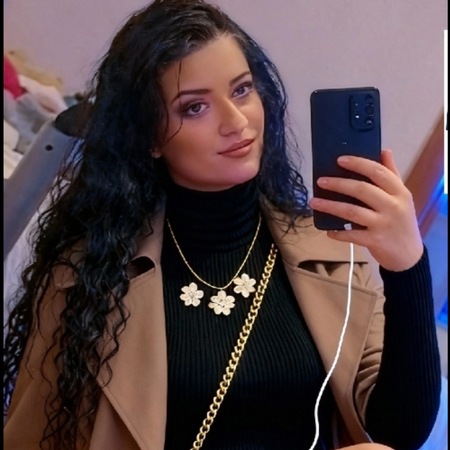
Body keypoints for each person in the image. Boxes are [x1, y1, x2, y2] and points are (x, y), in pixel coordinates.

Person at [3, 0, 442, 449]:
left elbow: (398, 430)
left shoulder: (326, 251)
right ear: (150, 136)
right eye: (194, 107)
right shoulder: (88, 276)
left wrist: (407, 265)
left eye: (242, 90)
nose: (236, 122)